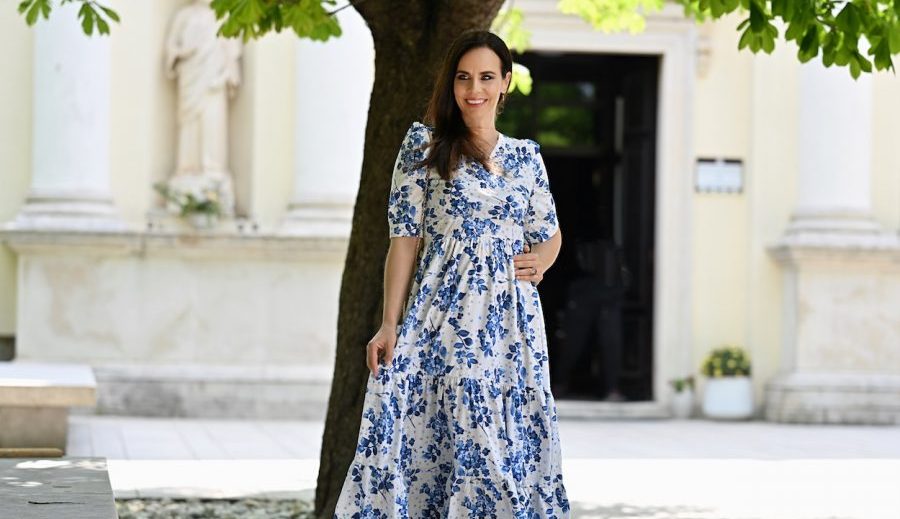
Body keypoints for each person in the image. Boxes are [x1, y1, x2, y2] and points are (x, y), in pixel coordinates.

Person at [334, 30, 570, 518]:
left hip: (510, 325)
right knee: (445, 432)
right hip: (442, 317)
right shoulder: (424, 146)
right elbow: (404, 240)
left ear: (505, 82)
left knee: (503, 441)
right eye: (463, 78)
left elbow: (548, 233)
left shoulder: (526, 157)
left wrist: (543, 261)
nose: (474, 89)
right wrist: (389, 323)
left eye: (486, 77)